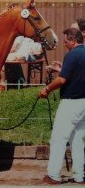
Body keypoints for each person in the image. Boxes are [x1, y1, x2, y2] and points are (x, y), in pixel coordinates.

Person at [39, 28, 85, 184]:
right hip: (84, 103)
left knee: (58, 139)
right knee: (78, 141)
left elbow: (61, 81)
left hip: (71, 103)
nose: (65, 45)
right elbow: (77, 73)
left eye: (65, 42)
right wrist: (61, 69)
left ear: (72, 40)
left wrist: (47, 89)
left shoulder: (72, 55)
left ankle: (53, 175)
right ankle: (79, 177)